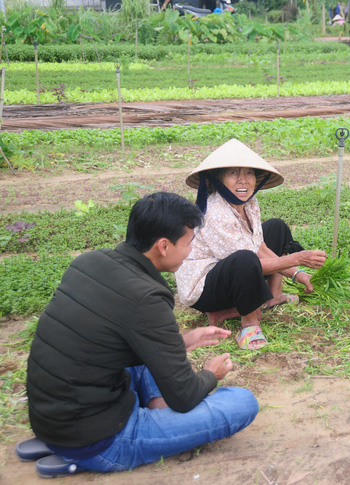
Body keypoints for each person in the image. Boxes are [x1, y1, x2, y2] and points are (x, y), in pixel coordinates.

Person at [21, 192, 258, 478]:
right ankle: (89, 454)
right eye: (189, 242)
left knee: (150, 357)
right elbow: (184, 396)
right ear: (163, 246)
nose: (190, 250)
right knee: (242, 403)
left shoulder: (88, 262)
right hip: (101, 437)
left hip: (53, 417)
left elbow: (109, 341)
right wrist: (210, 374)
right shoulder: (147, 298)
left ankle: (156, 412)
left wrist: (180, 341)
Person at [175, 139, 327, 349]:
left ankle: (273, 297)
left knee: (276, 227)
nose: (243, 181)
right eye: (234, 173)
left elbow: (259, 246)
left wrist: (297, 273)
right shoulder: (215, 212)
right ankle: (249, 324)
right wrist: (298, 259)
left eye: (249, 173)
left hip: (234, 272)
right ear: (219, 180)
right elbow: (249, 262)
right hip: (205, 288)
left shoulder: (249, 203)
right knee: (245, 259)